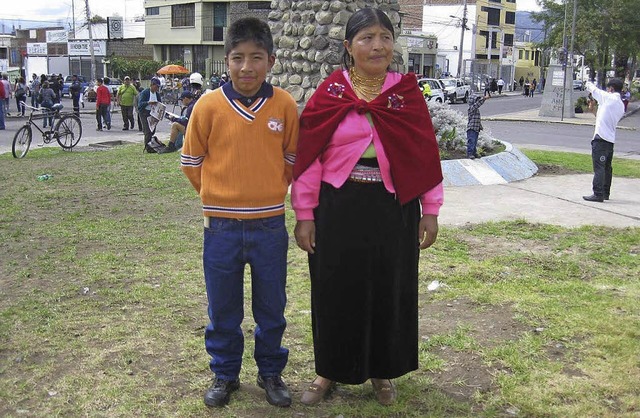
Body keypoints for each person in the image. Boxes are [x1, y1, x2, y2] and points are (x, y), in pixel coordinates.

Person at [291, 8, 443, 407]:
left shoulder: (405, 94)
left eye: (385, 37)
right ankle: (328, 370)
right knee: (334, 288)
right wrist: (305, 215)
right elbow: (309, 160)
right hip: (338, 206)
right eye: (366, 38)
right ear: (348, 46)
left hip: (394, 209)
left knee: (388, 288)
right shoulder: (332, 93)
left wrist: (431, 210)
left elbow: (424, 156)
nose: (377, 45)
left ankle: (382, 370)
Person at [180, 17, 299, 409]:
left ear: (272, 61)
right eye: (238, 58)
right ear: (225, 62)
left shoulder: (283, 104)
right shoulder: (208, 105)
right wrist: (218, 196)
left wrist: (269, 191)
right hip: (221, 229)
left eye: (256, 58)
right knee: (223, 306)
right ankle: (225, 372)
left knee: (271, 305)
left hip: (269, 226)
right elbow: (191, 161)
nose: (247, 67)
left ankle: (270, 371)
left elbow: (291, 159)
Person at [582, 78, 625, 202]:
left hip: (600, 138)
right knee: (607, 167)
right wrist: (593, 109)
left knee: (599, 167)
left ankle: (598, 193)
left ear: (611, 88)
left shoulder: (609, 98)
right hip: (610, 140)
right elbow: (602, 117)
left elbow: (594, 90)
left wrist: (587, 83)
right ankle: (606, 192)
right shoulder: (619, 105)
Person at [138, 77, 163, 152]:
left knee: (152, 130)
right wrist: (149, 102)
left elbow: (160, 103)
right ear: (152, 85)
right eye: (156, 86)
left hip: (153, 114)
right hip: (144, 112)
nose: (157, 88)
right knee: (147, 130)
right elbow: (140, 104)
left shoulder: (157, 94)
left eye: (158, 87)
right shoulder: (145, 92)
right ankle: (148, 147)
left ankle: (151, 145)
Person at [466, 93, 490, 159]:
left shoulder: (476, 110)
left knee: (475, 141)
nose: (477, 101)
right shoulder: (472, 108)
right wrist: (484, 98)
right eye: (476, 100)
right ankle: (469, 153)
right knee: (471, 141)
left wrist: (480, 126)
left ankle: (474, 152)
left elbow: (477, 119)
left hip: (476, 128)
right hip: (471, 128)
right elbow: (478, 104)